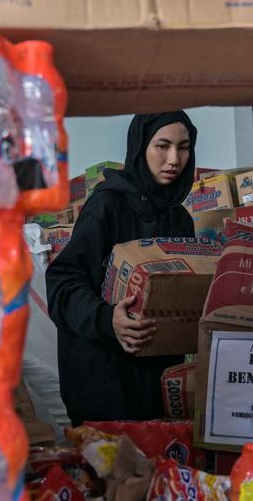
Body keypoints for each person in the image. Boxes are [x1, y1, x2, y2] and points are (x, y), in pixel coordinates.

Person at [46, 112, 197, 425]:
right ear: (140, 147)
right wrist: (107, 318)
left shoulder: (179, 218)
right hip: (103, 383)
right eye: (162, 146)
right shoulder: (106, 206)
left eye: (183, 148)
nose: (173, 159)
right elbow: (63, 285)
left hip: (156, 383)